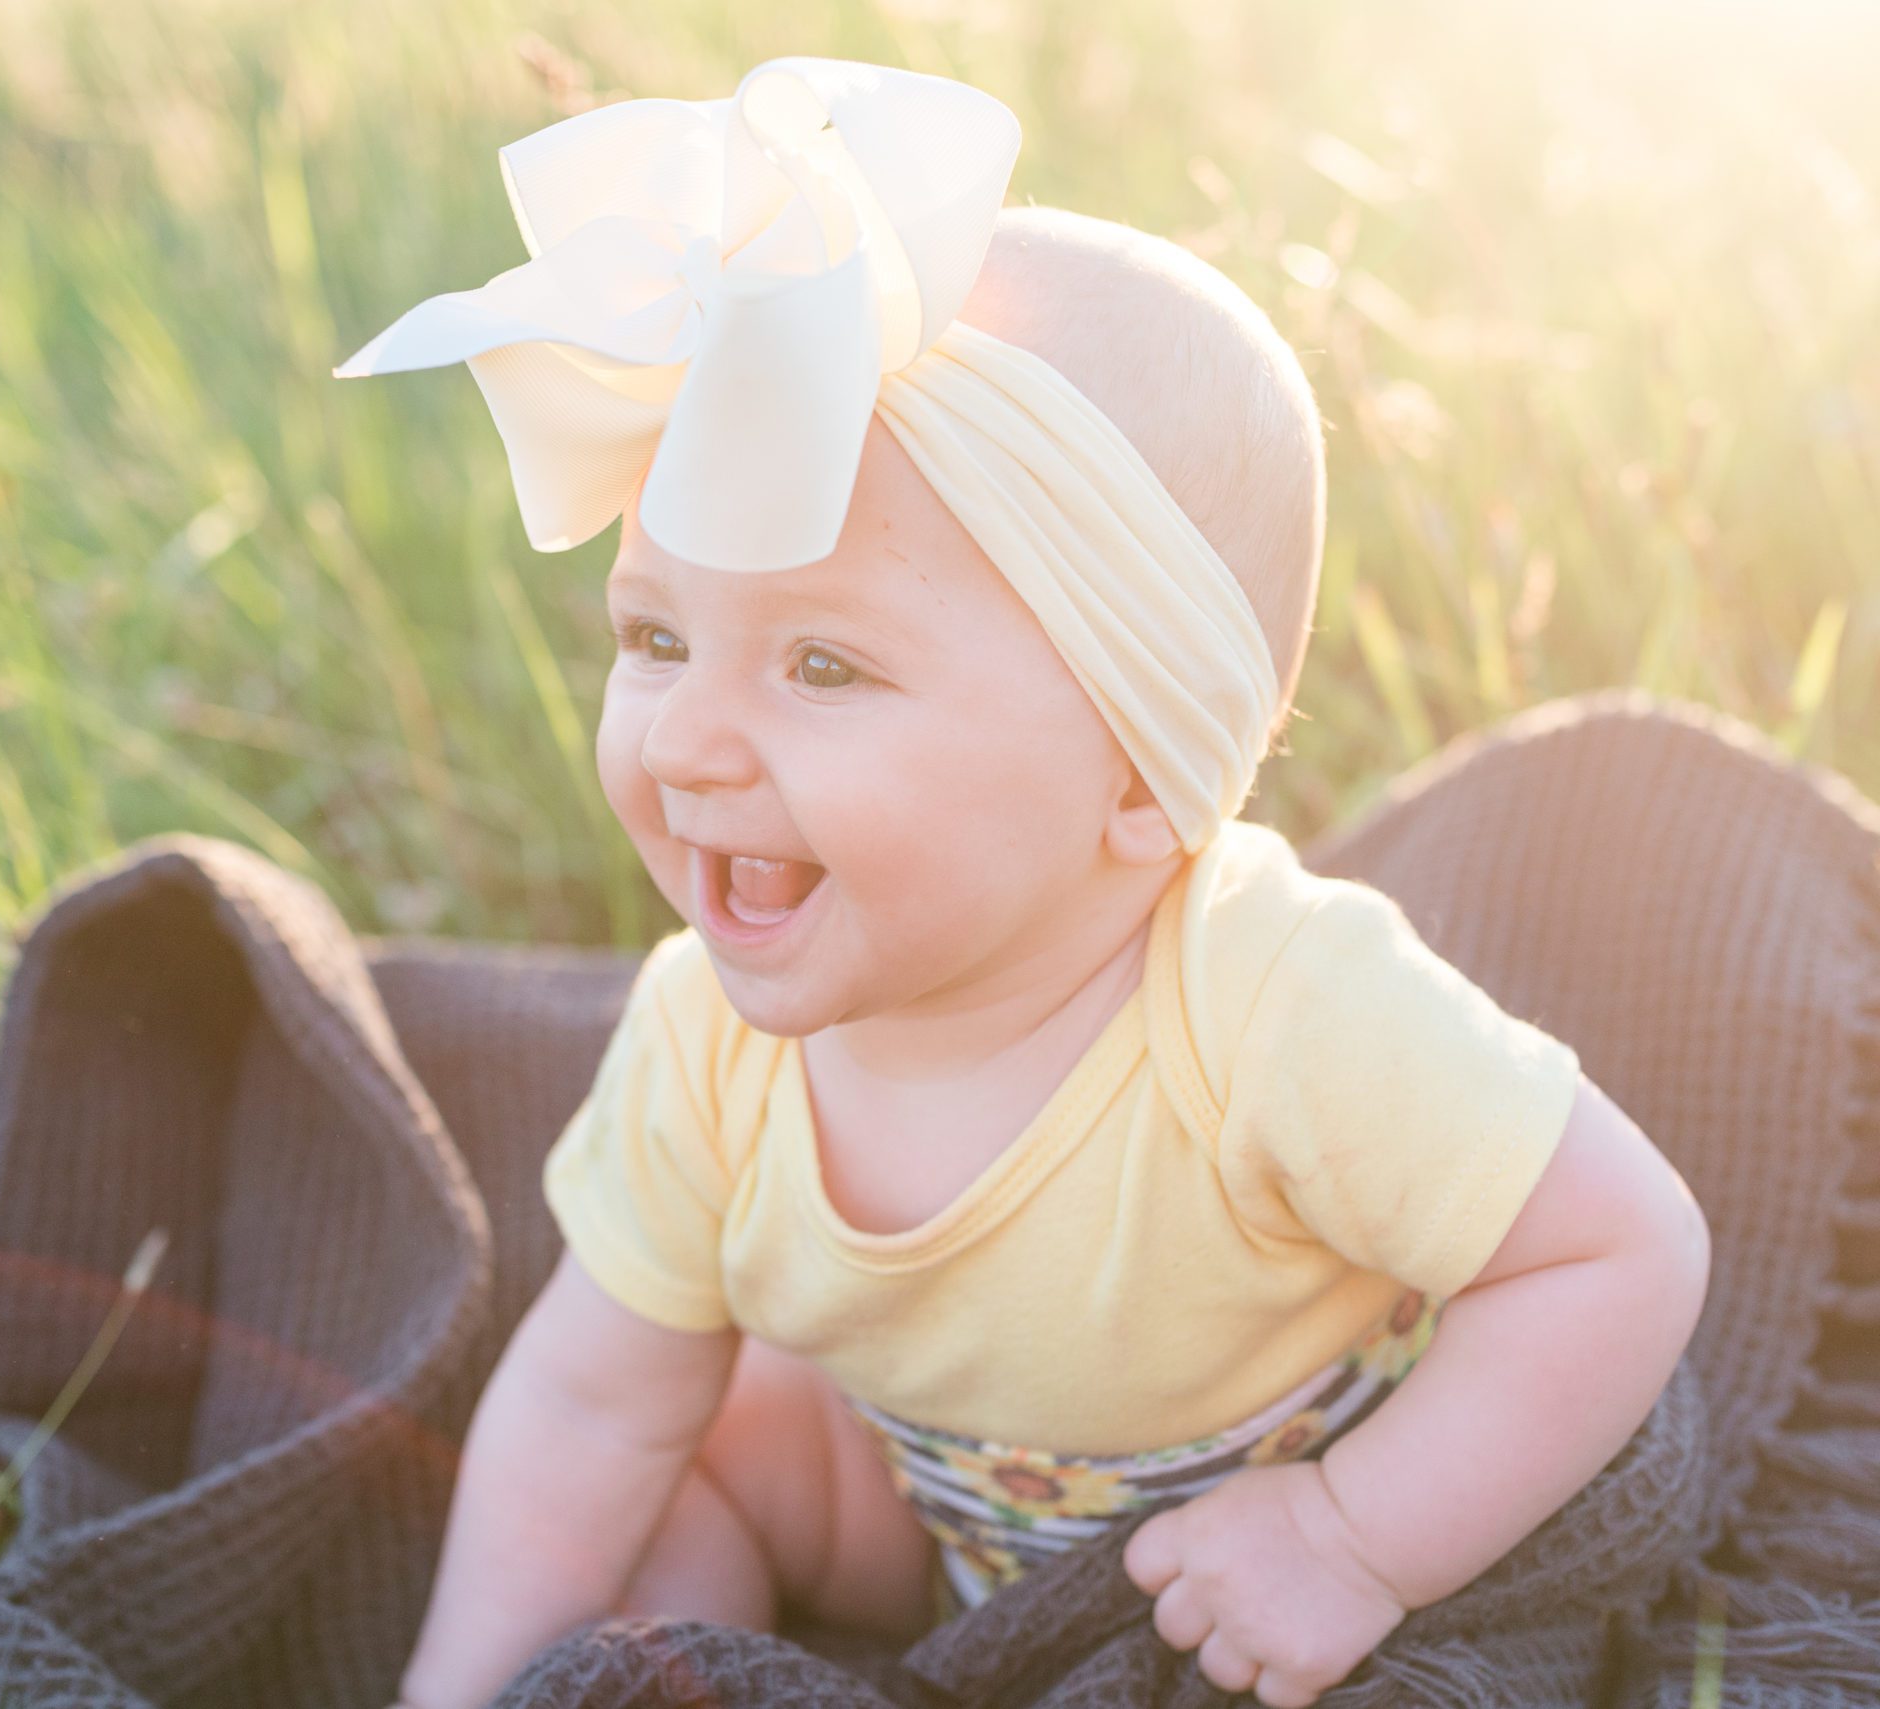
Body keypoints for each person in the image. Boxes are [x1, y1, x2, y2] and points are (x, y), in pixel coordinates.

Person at [332, 56, 1711, 1709]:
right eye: (655, 635)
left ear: (1142, 769)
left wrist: (1357, 1535)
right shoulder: (709, 1045)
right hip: (931, 1512)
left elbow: (1619, 1250)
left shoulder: (1273, 1004)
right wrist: (448, 1686)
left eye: (824, 664)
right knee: (665, 1478)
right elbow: (588, 1403)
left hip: (1298, 1523)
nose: (689, 737)